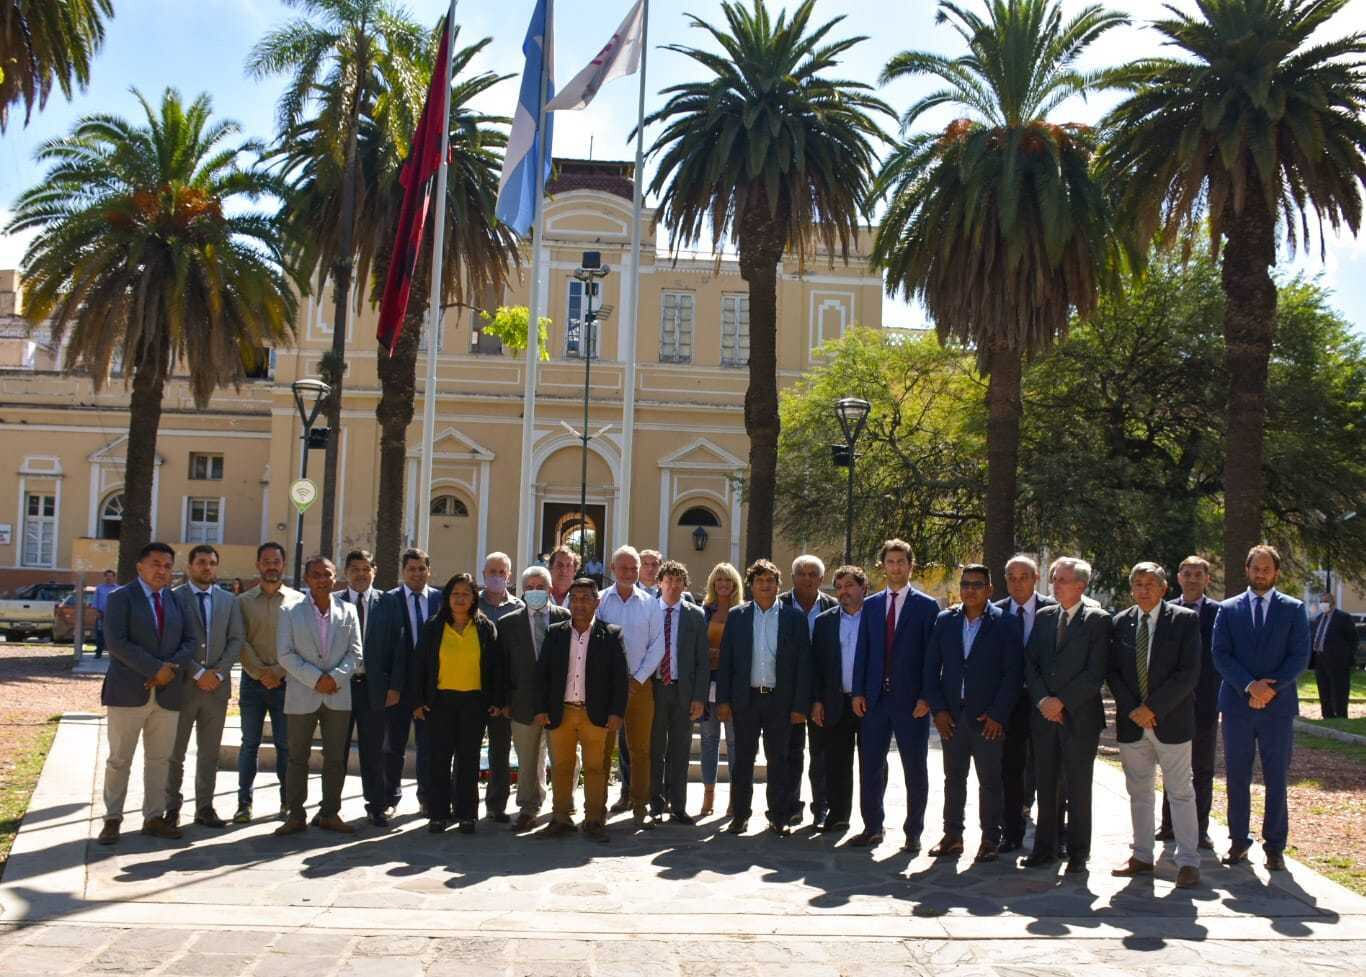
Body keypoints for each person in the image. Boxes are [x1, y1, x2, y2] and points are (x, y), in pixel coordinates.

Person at [1212, 544, 1311, 871]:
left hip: (1277, 707)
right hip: (1237, 706)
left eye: (1267, 569)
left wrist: (1270, 689)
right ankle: (1238, 842)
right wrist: (1249, 686)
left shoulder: (1293, 609)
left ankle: (1275, 847)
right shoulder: (1228, 609)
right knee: (1237, 777)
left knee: (1276, 777)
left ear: (1276, 572)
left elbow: (1299, 656)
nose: (1261, 574)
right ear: (1247, 569)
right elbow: (1220, 654)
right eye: (1256, 568)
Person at [1107, 562, 1203, 889]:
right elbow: (1113, 672)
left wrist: (1152, 708)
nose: (1143, 589)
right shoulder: (1120, 622)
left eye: (1150, 583)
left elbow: (1188, 673)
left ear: (1164, 588)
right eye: (1138, 583)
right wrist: (1135, 709)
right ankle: (1142, 855)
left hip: (1171, 721)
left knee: (1180, 793)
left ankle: (1188, 861)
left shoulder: (1184, 620)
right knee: (1139, 792)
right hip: (1133, 723)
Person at [919, 564, 1022, 863]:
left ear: (990, 589)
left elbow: (1013, 674)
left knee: (990, 781)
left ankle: (990, 839)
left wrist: (998, 715)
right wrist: (938, 710)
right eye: (965, 584)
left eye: (977, 585)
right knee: (953, 779)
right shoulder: (945, 620)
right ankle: (953, 836)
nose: (970, 590)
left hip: (987, 719)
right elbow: (930, 669)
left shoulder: (1006, 623)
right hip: (952, 717)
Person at [96, 542, 197, 845]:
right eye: (155, 564)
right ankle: (112, 818)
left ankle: (154, 817)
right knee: (119, 760)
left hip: (168, 694)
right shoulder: (120, 598)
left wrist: (170, 669)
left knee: (160, 760)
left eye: (167, 566)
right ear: (140, 566)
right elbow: (116, 642)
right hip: (128, 692)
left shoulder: (177, 600)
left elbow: (191, 641)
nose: (161, 570)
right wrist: (155, 668)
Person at [1021, 556, 1111, 874]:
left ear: (1081, 586)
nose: (1054, 585)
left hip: (1080, 718)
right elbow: (1030, 663)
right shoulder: (1044, 616)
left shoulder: (1098, 620)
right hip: (1045, 717)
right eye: (1054, 579)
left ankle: (1077, 853)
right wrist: (1044, 700)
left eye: (1062, 580)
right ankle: (1045, 848)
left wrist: (1062, 702)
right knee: (1046, 784)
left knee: (1078, 787)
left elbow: (1095, 672)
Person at [849, 539, 939, 852]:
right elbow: (863, 650)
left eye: (902, 561)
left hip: (912, 702)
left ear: (910, 566)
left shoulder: (926, 606)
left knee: (915, 768)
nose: (896, 567)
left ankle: (913, 832)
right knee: (870, 766)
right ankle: (872, 827)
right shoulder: (871, 605)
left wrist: (927, 696)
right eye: (891, 561)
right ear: (883, 566)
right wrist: (858, 691)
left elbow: (932, 657)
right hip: (874, 700)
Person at [716, 559, 811, 836]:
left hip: (780, 702)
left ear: (779, 585)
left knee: (779, 761)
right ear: (751, 585)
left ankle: (779, 816)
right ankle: (740, 816)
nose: (765, 585)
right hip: (745, 700)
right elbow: (726, 661)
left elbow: (804, 665)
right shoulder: (737, 616)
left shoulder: (794, 619)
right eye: (760, 580)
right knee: (743, 761)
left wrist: (800, 705)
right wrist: (723, 701)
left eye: (771, 580)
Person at [535, 577, 629, 843]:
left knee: (596, 768)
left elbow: (620, 678)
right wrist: (541, 708)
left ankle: (594, 820)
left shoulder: (611, 634)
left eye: (586, 598)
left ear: (597, 602)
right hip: (561, 711)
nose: (579, 604)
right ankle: (560, 819)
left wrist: (616, 713)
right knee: (561, 767)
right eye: (574, 598)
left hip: (595, 714)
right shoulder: (555, 633)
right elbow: (542, 675)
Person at [411, 574, 506, 834]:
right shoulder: (434, 626)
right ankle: (438, 814)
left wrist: (497, 700)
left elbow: (496, 668)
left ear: (474, 598)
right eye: (455, 593)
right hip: (439, 702)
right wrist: (417, 701)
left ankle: (467, 814)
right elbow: (419, 666)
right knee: (439, 759)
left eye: (466, 594)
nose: (460, 598)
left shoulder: (485, 628)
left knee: (468, 760)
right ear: (447, 597)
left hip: (474, 703)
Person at [274, 556, 361, 836]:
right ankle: (296, 815)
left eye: (327, 574)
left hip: (338, 694)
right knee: (297, 757)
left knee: (335, 758)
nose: (322, 580)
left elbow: (356, 653)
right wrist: (316, 679)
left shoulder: (348, 610)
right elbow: (285, 653)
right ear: (307, 579)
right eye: (316, 575)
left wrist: (334, 678)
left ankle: (330, 813)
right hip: (302, 694)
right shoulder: (290, 610)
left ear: (336, 577)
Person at [165, 544, 244, 829]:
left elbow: (236, 639)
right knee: (175, 752)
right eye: (200, 562)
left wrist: (219, 673)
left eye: (211, 562)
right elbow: (171, 641)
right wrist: (198, 672)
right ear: (189, 567)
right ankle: (170, 808)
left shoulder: (229, 600)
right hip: (183, 686)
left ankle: (205, 807)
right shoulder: (174, 598)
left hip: (216, 690)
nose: (206, 567)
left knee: (209, 753)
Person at [500, 566, 571, 832]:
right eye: (529, 587)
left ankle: (564, 806)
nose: (535, 592)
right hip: (523, 702)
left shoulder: (565, 618)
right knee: (528, 760)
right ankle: (528, 808)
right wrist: (505, 701)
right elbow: (502, 666)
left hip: (560, 702)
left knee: (565, 757)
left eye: (540, 587)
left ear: (550, 589)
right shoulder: (508, 623)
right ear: (522, 591)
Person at [994, 555, 1057, 853]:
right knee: (1011, 768)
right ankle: (1012, 832)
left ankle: (1054, 835)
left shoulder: (1052, 610)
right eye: (1012, 578)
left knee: (1051, 769)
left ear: (1036, 579)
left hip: (1045, 699)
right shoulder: (995, 612)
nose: (1018, 583)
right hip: (1010, 702)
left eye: (1024, 577)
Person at [596, 545, 662, 828]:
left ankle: (639, 806)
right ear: (612, 569)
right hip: (605, 689)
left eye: (634, 568)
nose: (629, 573)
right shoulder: (600, 601)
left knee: (640, 750)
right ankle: (596, 808)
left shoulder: (650, 604)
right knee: (601, 750)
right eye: (623, 567)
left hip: (640, 686)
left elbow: (658, 645)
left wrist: (638, 679)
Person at [236, 542, 302, 823]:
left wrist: (278, 672)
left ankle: (287, 801)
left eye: (276, 561)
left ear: (283, 565)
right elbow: (239, 641)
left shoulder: (298, 601)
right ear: (258, 565)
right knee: (249, 744)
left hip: (286, 683)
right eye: (266, 561)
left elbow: (300, 643)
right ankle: (244, 804)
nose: (271, 566)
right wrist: (260, 673)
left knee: (285, 746)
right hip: (252, 683)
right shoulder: (243, 602)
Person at [1159, 555, 1221, 849]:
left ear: (1207, 579)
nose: (1192, 579)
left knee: (1202, 767)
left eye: (1198, 574)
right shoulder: (1166, 611)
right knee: (1171, 765)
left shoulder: (1219, 613)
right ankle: (1168, 825)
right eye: (1187, 573)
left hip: (1205, 701)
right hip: (1171, 702)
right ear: (1178, 577)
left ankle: (1199, 829)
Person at [376, 548, 442, 816]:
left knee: (428, 746)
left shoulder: (440, 599)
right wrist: (389, 685)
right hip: (398, 686)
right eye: (411, 569)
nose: (417, 574)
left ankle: (427, 798)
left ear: (429, 571)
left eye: (421, 569)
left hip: (430, 687)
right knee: (393, 745)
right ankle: (389, 798)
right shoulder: (388, 600)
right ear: (403, 572)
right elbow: (383, 644)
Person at [648, 560, 709, 823]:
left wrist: (699, 697)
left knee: (681, 749)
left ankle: (678, 806)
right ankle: (655, 804)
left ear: (685, 585)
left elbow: (702, 660)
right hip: (654, 689)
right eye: (668, 580)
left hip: (683, 690)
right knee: (655, 749)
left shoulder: (695, 615)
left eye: (678, 581)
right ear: (659, 583)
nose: (673, 586)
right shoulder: (649, 610)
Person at [809, 565, 868, 835]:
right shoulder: (825, 621)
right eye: (840, 587)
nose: (844, 592)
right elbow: (817, 665)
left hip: (868, 702)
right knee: (836, 762)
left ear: (863, 588)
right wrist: (817, 700)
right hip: (835, 702)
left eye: (850, 585)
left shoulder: (876, 617)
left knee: (873, 762)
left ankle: (872, 819)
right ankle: (838, 815)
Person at [780, 554, 838, 828]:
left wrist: (821, 696)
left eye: (813, 574)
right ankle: (791, 807)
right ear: (792, 578)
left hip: (822, 693)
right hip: (788, 693)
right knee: (791, 752)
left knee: (822, 754)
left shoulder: (832, 608)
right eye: (801, 574)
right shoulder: (778, 605)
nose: (807, 579)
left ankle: (821, 808)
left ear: (821, 579)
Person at [336, 549, 388, 826]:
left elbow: (397, 646)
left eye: (366, 569)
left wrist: (394, 686)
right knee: (336, 751)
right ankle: (330, 807)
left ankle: (377, 806)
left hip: (374, 689)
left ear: (374, 572)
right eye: (355, 569)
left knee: (373, 751)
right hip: (340, 687)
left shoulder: (387, 602)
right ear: (346, 572)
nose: (360, 574)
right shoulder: (334, 602)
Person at [478, 551, 523, 825]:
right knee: (466, 749)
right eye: (491, 572)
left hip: (504, 692)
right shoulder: (471, 604)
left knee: (500, 750)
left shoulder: (518, 608)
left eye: (501, 572)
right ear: (484, 574)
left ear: (509, 576)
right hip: (472, 689)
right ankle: (462, 803)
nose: (496, 576)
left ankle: (496, 805)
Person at [698, 563, 742, 817]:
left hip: (732, 686)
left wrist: (723, 656)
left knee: (734, 742)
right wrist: (707, 656)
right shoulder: (704, 611)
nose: (723, 584)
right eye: (719, 580)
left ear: (735, 584)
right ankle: (708, 795)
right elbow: (696, 645)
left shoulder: (742, 611)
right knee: (708, 740)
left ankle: (735, 798)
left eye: (728, 580)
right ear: (713, 584)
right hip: (707, 684)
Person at [1311, 592, 1358, 720]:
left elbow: (1353, 639)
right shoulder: (1318, 618)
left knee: (1339, 688)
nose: (1323, 604)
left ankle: (1340, 715)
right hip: (1320, 658)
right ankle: (1327, 715)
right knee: (1323, 688)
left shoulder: (1343, 617)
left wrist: (1347, 656)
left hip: (1338, 660)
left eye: (1325, 601)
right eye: (1321, 602)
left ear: (1332, 603)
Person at [92, 568, 119, 659]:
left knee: (113, 634)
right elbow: (95, 600)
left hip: (113, 615)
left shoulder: (118, 589)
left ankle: (114, 653)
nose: (108, 578)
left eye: (110, 576)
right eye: (107, 576)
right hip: (101, 614)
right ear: (104, 577)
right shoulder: (99, 588)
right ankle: (98, 652)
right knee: (100, 633)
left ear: (114, 577)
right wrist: (96, 611)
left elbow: (120, 603)